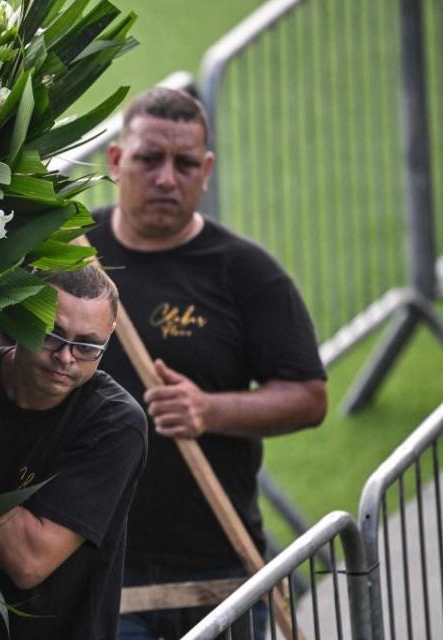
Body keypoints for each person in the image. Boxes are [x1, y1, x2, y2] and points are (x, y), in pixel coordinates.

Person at [85, 87, 328, 639]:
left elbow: (308, 395)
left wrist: (208, 410)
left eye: (185, 163)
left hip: (221, 576)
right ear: (117, 160)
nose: (167, 178)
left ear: (207, 169)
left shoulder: (245, 272)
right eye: (149, 159)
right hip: (98, 572)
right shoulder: (71, 254)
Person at [0, 265, 148, 640]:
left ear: (109, 338)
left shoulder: (115, 423)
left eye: (87, 345)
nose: (66, 358)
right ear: (20, 317)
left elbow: (29, 561)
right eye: (52, 334)